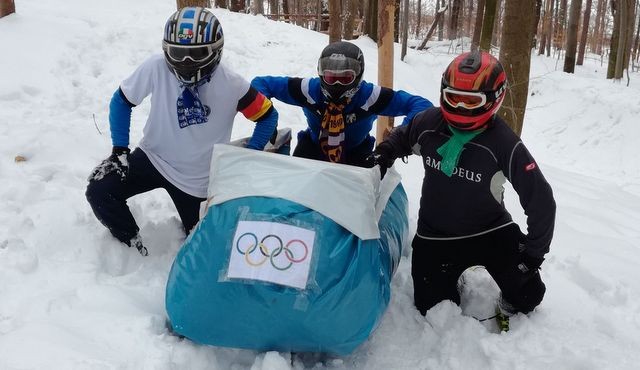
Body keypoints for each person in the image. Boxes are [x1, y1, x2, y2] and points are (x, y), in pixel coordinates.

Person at [371, 51, 556, 322]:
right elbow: (402, 136)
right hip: (435, 237)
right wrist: (383, 154)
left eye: (471, 101)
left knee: (529, 295)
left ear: (494, 99)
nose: (459, 108)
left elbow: (540, 199)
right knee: (431, 308)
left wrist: (533, 254)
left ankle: (505, 285)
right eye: (453, 98)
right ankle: (452, 279)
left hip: (492, 230)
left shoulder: (504, 142)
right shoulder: (428, 123)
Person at [86, 7, 278, 256]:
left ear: (216, 50)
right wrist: (120, 150)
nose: (186, 63)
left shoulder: (233, 85)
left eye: (197, 53)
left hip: (197, 179)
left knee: (205, 252)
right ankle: (130, 248)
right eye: (178, 53)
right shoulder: (156, 67)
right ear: (166, 50)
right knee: (100, 190)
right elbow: (122, 100)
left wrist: (250, 154)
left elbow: (267, 115)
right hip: (153, 157)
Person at [251, 41, 432, 167]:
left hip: (357, 155)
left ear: (358, 77)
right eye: (330, 77)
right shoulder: (308, 90)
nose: (336, 84)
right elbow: (261, 83)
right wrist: (265, 115)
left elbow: (421, 105)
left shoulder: (370, 96)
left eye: (345, 78)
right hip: (312, 150)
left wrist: (397, 140)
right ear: (321, 74)